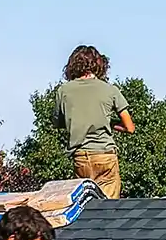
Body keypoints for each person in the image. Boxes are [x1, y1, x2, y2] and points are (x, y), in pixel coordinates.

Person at [54, 46, 135, 198]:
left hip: (80, 158)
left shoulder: (63, 91)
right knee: (108, 206)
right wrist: (110, 124)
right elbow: (130, 127)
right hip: (105, 156)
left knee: (86, 203)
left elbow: (58, 123)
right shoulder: (110, 90)